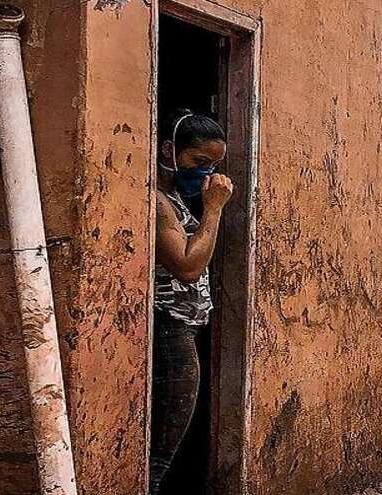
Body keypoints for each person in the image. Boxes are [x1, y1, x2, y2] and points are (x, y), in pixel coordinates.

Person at [149, 109, 233, 493]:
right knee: (161, 447)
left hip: (184, 327)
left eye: (213, 166)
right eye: (199, 162)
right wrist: (213, 208)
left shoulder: (179, 201)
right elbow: (186, 266)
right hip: (168, 329)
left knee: (170, 441)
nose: (206, 174)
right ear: (169, 151)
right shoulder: (158, 201)